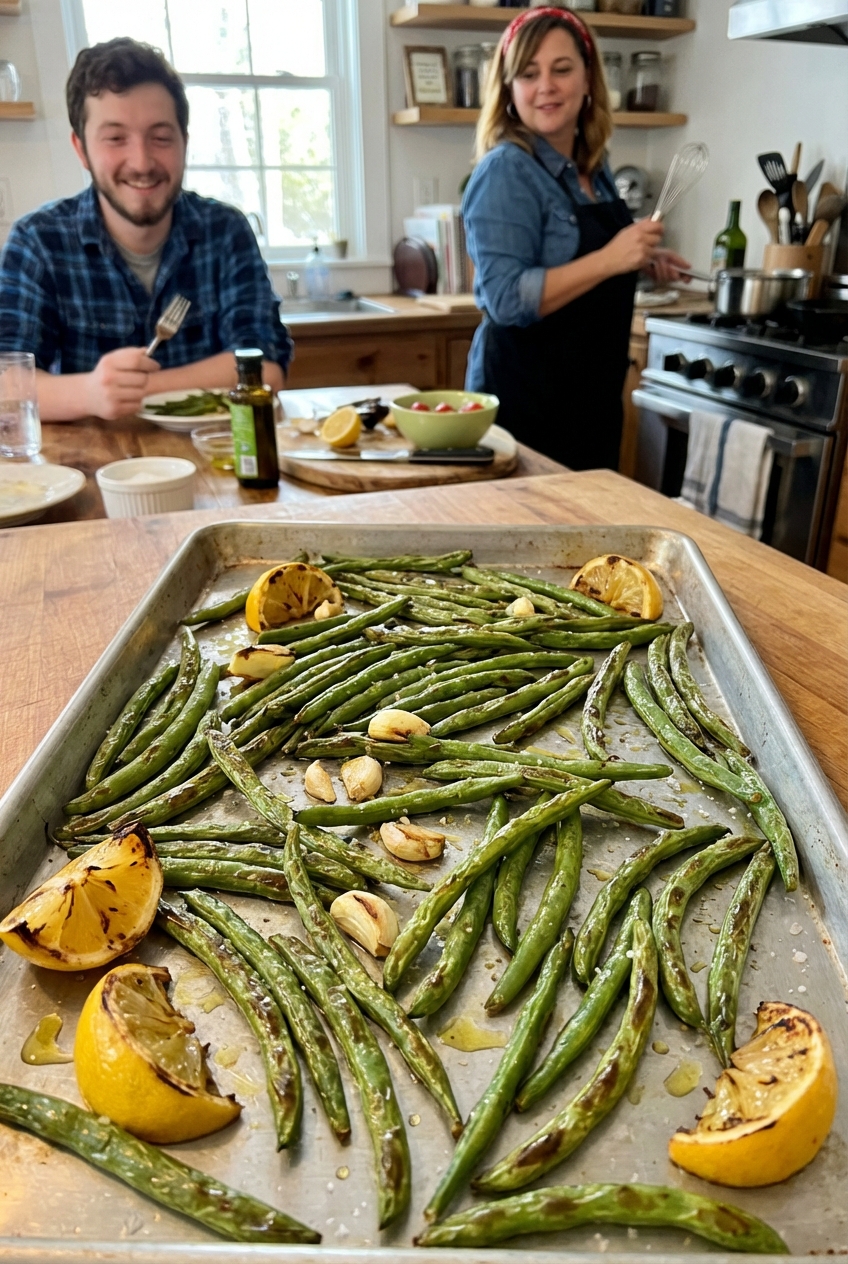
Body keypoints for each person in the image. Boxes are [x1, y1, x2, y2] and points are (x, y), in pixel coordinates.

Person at [0, 38, 291, 422]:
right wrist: (89, 393)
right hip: (89, 457)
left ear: (184, 143)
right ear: (81, 149)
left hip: (214, 453)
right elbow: (7, 382)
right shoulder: (38, 242)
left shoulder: (226, 231)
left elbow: (264, 370)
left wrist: (130, 390)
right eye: (115, 138)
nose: (141, 162)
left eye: (161, 138)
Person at [461, 6, 690, 470]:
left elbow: (584, 265)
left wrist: (641, 259)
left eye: (562, 69)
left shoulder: (594, 167)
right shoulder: (506, 170)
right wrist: (611, 258)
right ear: (510, 89)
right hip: (524, 408)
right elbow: (504, 299)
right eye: (529, 74)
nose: (546, 86)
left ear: (588, 80)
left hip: (591, 403)